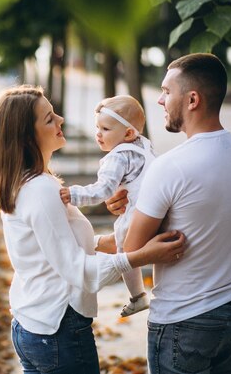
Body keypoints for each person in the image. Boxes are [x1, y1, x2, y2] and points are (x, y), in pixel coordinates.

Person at [0, 84, 186, 374]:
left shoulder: (35, 181)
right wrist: (141, 256)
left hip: (36, 324)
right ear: (28, 136)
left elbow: (54, 247)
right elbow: (78, 270)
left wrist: (108, 242)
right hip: (57, 330)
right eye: (49, 118)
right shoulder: (39, 190)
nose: (61, 120)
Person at [109, 53, 231, 373]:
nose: (160, 100)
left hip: (184, 319)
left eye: (166, 91)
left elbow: (133, 247)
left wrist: (126, 212)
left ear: (192, 99)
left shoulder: (170, 167)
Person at [59, 95, 156, 317]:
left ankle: (138, 296)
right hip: (155, 209)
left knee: (124, 252)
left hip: (134, 215)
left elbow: (102, 190)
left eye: (105, 128)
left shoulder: (117, 158)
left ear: (129, 133)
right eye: (97, 127)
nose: (98, 134)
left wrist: (73, 194)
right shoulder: (144, 146)